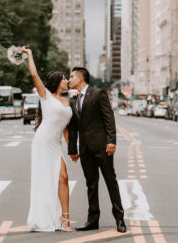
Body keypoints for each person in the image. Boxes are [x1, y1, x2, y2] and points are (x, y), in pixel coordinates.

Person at [20, 47, 74, 232]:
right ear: (58, 82)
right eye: (65, 79)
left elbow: (65, 127)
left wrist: (72, 149)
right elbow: (34, 75)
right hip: (43, 142)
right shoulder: (46, 96)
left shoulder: (68, 102)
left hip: (56, 144)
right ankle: (49, 217)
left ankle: (65, 219)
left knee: (63, 178)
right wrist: (30, 55)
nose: (67, 81)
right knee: (48, 178)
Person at [68, 67, 127, 233]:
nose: (69, 79)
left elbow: (109, 118)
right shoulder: (73, 101)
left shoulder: (98, 93)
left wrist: (111, 141)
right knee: (91, 185)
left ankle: (120, 218)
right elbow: (73, 128)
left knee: (110, 181)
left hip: (102, 146)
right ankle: (93, 220)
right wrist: (72, 149)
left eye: (72, 76)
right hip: (85, 149)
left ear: (81, 78)